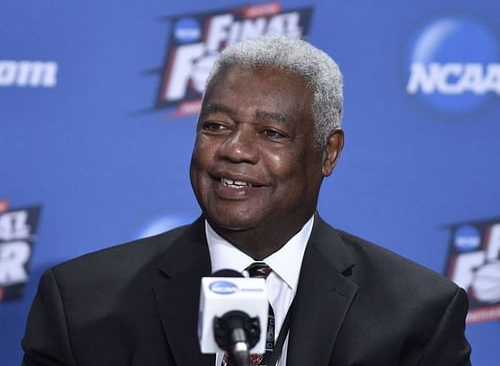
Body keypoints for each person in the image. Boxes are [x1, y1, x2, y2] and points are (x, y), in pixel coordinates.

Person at [21, 37, 472, 366]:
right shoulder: (81, 303)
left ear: (328, 153)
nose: (235, 150)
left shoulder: (417, 313)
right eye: (216, 126)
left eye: (272, 133)